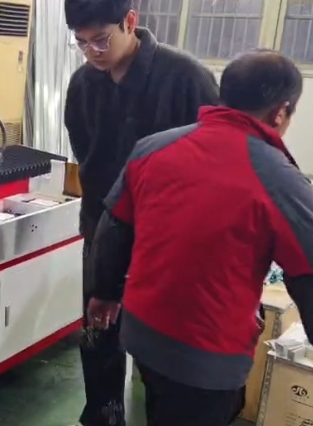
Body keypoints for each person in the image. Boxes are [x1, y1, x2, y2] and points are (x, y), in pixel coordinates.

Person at [87, 49, 313, 426]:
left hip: (141, 332)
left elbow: (115, 227)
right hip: (208, 358)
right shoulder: (281, 180)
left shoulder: (153, 148)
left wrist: (105, 292)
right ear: (280, 112)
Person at [62, 1, 218, 425]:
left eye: (100, 39)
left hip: (165, 239)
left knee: (161, 348)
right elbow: (86, 155)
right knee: (98, 333)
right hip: (102, 228)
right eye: (81, 43)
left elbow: (214, 159)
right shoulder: (83, 85)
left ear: (130, 21)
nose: (92, 52)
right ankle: (103, 414)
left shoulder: (186, 79)